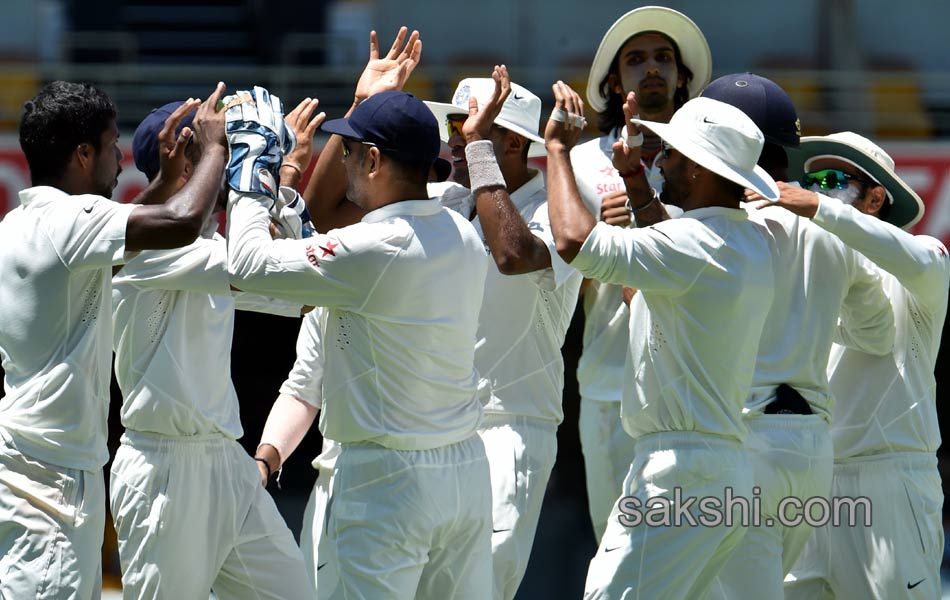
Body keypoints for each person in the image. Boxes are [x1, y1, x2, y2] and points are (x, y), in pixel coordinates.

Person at [226, 85, 493, 599]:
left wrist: (253, 172)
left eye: (347, 151)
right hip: (463, 474)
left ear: (372, 159)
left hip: (384, 484)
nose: (343, 160)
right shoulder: (461, 233)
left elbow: (247, 265)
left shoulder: (374, 248)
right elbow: (308, 373)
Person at [545, 82, 778, 599]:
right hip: (722, 470)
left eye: (670, 154)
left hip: (678, 474)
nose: (661, 161)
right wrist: (633, 179)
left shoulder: (691, 243)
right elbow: (662, 268)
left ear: (696, 168)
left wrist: (558, 150)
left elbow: (572, 242)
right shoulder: (751, 241)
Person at [0, 80, 228, 598]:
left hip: (32, 462)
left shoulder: (20, 222)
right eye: (109, 148)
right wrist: (214, 149)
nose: (120, 163)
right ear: (82, 154)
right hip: (51, 480)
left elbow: (124, 237)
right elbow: (184, 221)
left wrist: (168, 182)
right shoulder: (70, 221)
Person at [108, 98, 320, 598]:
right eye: (219, 146)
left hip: (227, 460)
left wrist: (284, 170)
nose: (226, 156)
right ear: (186, 159)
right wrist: (272, 169)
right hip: (164, 470)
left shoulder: (213, 244)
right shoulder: (150, 244)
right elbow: (272, 273)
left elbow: (294, 286)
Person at [695, 74, 896, 600]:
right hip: (809, 455)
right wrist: (811, 313)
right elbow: (876, 335)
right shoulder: (832, 229)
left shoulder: (718, 230)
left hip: (744, 445)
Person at [424, 66, 583, 599]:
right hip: (433, 428)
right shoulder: (451, 198)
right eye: (454, 131)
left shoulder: (560, 210)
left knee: (480, 587)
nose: (454, 143)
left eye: (470, 131)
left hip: (508, 430)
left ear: (511, 143)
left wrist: (477, 158)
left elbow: (513, 254)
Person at [771, 132, 949, 600]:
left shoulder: (926, 259)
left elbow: (896, 252)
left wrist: (816, 209)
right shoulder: (806, 274)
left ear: (875, 198)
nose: (814, 189)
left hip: (889, 482)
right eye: (810, 180)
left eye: (831, 180)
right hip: (809, 480)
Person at [568, 6, 712, 540]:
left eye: (663, 58)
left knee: (694, 557)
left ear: (682, 76)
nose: (652, 68)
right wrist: (596, 242)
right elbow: (558, 275)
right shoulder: (582, 162)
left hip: (698, 390)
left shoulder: (712, 160)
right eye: (636, 60)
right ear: (613, 81)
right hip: (610, 384)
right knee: (616, 549)